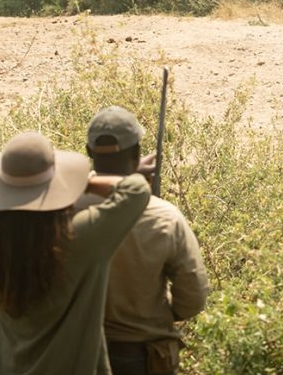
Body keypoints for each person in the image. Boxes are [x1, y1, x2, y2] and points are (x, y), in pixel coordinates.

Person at [0, 131, 152, 374]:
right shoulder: (79, 237)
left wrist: (5, 186)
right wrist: (84, 182)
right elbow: (136, 190)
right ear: (55, 187)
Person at [76, 106, 210, 375]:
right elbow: (193, 298)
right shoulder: (165, 217)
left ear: (89, 152)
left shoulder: (62, 209)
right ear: (137, 153)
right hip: (144, 356)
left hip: (79, 352)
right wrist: (156, 311)